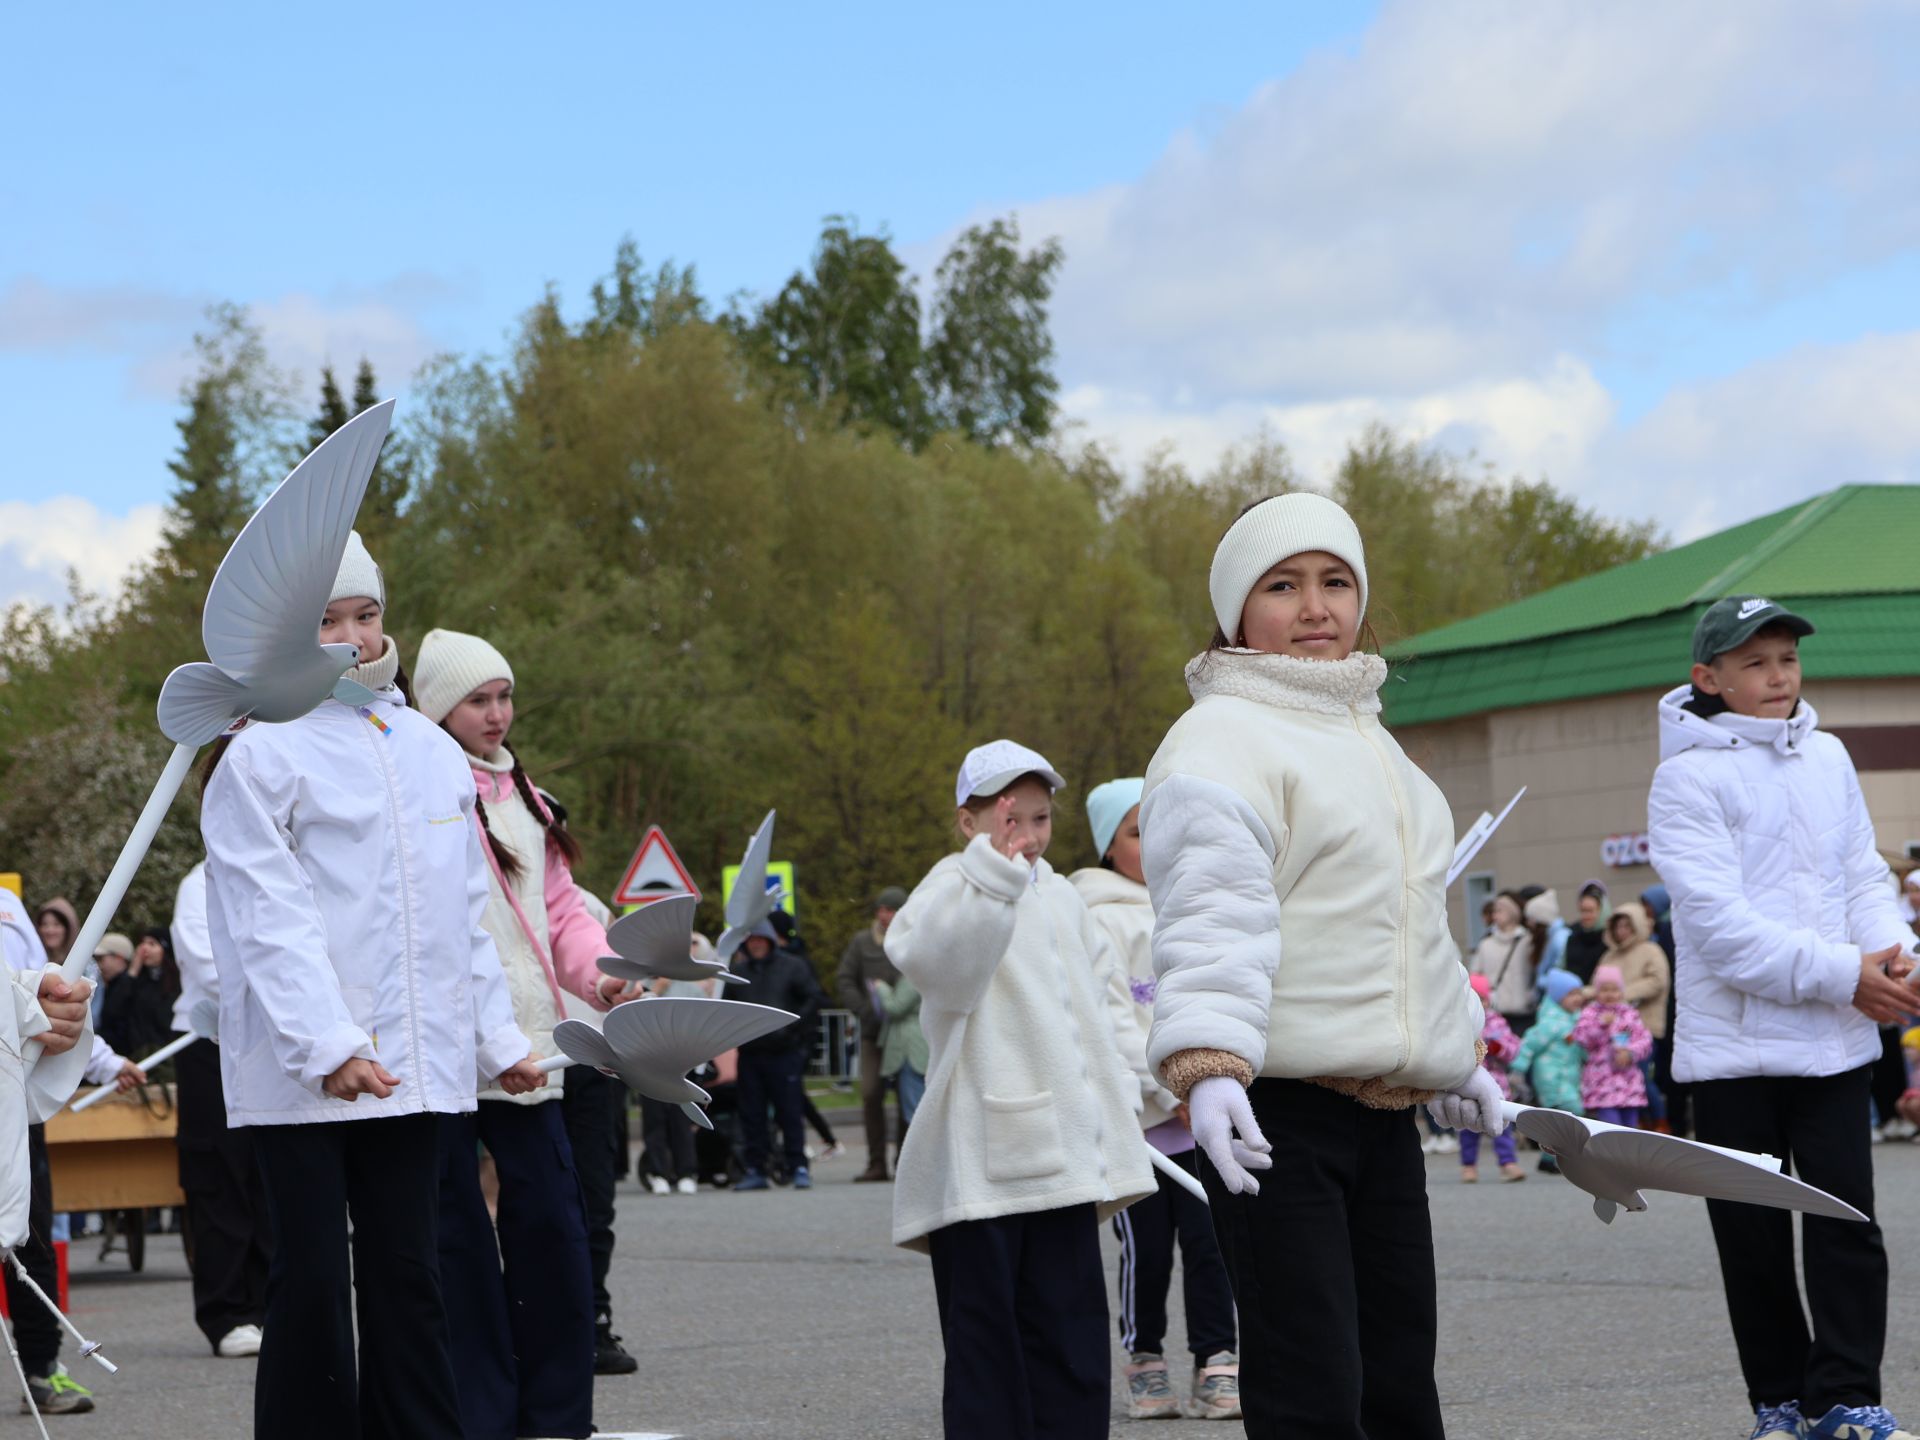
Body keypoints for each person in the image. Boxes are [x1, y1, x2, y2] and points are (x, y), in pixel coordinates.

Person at [1139, 493, 1500, 1439]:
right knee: (1313, 1386)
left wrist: (1455, 1057)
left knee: (1397, 1384)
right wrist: (1208, 1066)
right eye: (1283, 585)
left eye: (1335, 582)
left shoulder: (1376, 746)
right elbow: (1214, 915)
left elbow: (1413, 926)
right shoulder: (1221, 740)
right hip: (1276, 1117)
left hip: (1380, 1118)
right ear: (1233, 614)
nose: (1315, 607)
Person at [199, 532, 546, 1440]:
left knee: (410, 1273)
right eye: (325, 620)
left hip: (413, 1072)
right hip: (307, 1076)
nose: (352, 638)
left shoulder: (428, 752)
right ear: (287, 630)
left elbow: (460, 917)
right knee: (312, 1281)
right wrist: (330, 1044)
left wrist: (498, 1042)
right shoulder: (260, 753)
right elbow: (267, 918)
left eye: (365, 615)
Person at [1649, 594, 1920, 1440]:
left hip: (1836, 1046)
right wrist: (1848, 976)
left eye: (1789, 660)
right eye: (1756, 662)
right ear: (1709, 678)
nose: (1779, 676)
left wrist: (1896, 959)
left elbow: (1862, 877)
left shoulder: (1829, 757)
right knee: (1754, 1243)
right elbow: (1721, 933)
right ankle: (1779, 1403)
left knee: (1848, 1229)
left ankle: (1846, 1399)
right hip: (1733, 1057)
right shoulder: (1684, 777)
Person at [887, 739, 1155, 1438]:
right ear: (966, 822)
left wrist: (1135, 1090)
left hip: (1065, 1160)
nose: (1028, 836)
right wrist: (993, 876)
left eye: (1040, 819)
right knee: (986, 1353)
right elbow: (943, 968)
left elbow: (1105, 1004)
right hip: (981, 1168)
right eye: (1011, 820)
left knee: (1071, 1343)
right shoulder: (949, 886)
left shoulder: (1066, 896)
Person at [414, 626, 636, 1440]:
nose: (498, 713)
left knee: (552, 1232)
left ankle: (556, 1417)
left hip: (535, 1047)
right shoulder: (423, 788)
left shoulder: (527, 795)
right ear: (439, 709)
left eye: (504, 696)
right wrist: (481, 1034)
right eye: (478, 699)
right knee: (459, 1243)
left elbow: (561, 913)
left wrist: (601, 975)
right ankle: (481, 1416)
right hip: (447, 1049)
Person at [1070, 775, 1241, 1421]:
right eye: (1138, 832)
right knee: (1144, 1248)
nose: (1155, 845)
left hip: (1202, 1115)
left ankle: (1218, 1361)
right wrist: (1164, 1090)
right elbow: (1111, 1018)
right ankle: (1144, 1361)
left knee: (1212, 1242)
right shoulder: (1097, 916)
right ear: (1108, 847)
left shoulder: (1190, 904)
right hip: (1141, 1120)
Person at [0, 888, 141, 1416]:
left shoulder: (8, 907)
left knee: (29, 1237)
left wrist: (105, 1061)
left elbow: (52, 998)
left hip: (15, 1095)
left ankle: (41, 1368)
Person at [170, 859, 272, 1359]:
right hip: (210, 1039)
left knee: (268, 1176)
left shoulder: (279, 871)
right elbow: (206, 964)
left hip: (275, 1039)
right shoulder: (197, 882)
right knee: (220, 1177)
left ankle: (272, 1303)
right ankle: (228, 1312)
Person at [730, 920, 824, 1192]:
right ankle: (755, 1169)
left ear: (770, 941)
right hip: (750, 1054)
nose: (756, 944)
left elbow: (813, 998)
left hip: (785, 1053)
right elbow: (725, 1008)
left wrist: (793, 1029)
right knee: (752, 1114)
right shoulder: (738, 973)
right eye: (751, 941)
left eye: (761, 939)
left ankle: (798, 1167)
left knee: (790, 1111)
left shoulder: (792, 966)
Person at [837, 887, 908, 1182]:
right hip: (872, 1032)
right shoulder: (862, 942)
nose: (884, 915)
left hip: (904, 1033)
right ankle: (876, 1163)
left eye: (890, 910)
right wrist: (863, 1009)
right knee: (870, 1093)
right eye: (881, 909)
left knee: (908, 1096)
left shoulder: (912, 938)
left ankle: (905, 1162)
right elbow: (845, 978)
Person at [642, 933, 720, 1196]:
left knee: (681, 1119)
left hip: (681, 1063)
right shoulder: (645, 981)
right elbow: (635, 1014)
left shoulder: (691, 984)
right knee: (654, 1121)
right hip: (650, 1062)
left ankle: (687, 1172)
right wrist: (657, 990)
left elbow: (701, 1019)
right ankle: (657, 1173)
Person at [1603, 902, 1672, 1129]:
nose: (1621, 931)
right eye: (1618, 926)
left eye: (1627, 925)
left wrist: (1624, 994)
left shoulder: (1651, 950)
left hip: (1644, 1027)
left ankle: (1660, 1121)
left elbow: (1658, 981)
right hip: (1612, 1032)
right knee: (1620, 1078)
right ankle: (1636, 1122)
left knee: (1640, 1076)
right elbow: (1600, 984)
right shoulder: (1610, 956)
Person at [1568, 965, 1652, 1128]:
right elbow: (1582, 1038)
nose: (1610, 994)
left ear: (1621, 992)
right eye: (1604, 990)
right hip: (1602, 1083)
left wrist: (1631, 1053)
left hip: (1629, 1083)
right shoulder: (1590, 1013)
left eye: (1614, 990)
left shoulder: (1630, 1014)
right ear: (1596, 992)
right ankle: (1611, 1154)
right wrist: (1600, 1026)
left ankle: (1628, 1154)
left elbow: (1645, 1040)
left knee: (1630, 1128)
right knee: (1611, 1128)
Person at [1460, 974, 1525, 1183]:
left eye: (1483, 999)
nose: (1480, 1004)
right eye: (1474, 998)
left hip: (1496, 1082)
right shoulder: (1458, 1022)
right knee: (1468, 1124)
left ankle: (1508, 1162)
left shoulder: (1497, 1022)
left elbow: (1514, 1048)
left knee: (1501, 1124)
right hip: (1467, 1081)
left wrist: (1500, 1049)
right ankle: (1468, 1165)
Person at [1470, 893, 1536, 1031]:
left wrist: (1530, 996)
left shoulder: (1527, 941)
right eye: (1494, 911)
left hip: (1523, 1011)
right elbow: (1474, 976)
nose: (1495, 916)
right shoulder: (1485, 944)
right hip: (1494, 1012)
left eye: (1500, 911)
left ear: (1512, 912)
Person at [1563, 881, 1610, 982]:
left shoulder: (1610, 939)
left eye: (1590, 911)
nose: (1585, 916)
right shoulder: (1573, 937)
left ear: (1601, 911)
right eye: (1583, 911)